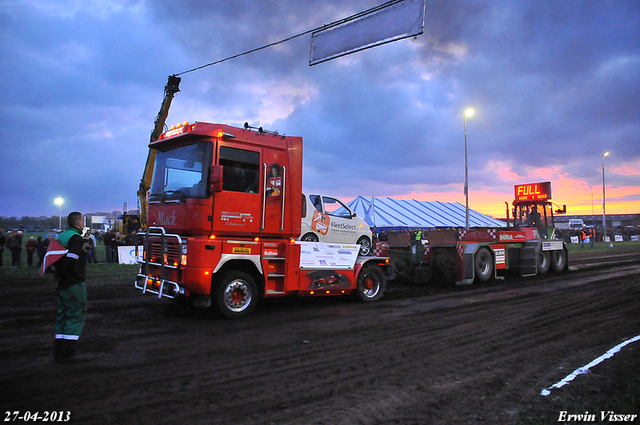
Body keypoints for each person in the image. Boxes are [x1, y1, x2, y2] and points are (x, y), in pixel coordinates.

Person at [53, 212, 88, 362]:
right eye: (83, 221)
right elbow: (70, 261)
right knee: (76, 315)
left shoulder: (61, 236)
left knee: (62, 316)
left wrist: (59, 276)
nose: (84, 224)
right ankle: (68, 353)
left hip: (61, 284)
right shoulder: (76, 239)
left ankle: (58, 350)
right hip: (73, 283)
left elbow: (52, 259)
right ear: (78, 223)